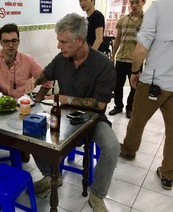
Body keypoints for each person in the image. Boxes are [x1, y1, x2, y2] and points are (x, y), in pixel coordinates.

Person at [25, 13, 120, 212]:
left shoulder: (103, 65)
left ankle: (97, 195)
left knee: (112, 147)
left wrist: (67, 99)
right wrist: (35, 80)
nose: (59, 46)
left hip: (92, 120)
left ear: (79, 40)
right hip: (63, 118)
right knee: (30, 132)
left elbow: (100, 105)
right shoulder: (62, 59)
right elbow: (46, 74)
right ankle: (51, 176)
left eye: (63, 42)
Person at [0, 23, 53, 161]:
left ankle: (21, 147)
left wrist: (37, 100)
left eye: (14, 41)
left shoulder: (28, 60)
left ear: (19, 41)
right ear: (0, 42)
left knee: (26, 151)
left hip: (20, 109)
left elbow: (48, 80)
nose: (10, 45)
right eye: (6, 41)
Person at [120, 0, 173, 190]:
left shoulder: (159, 7)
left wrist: (135, 72)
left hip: (154, 81)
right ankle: (168, 174)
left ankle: (128, 150)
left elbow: (141, 48)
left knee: (138, 119)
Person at [109, 0, 145, 119]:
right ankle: (118, 106)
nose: (134, 6)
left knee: (134, 86)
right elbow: (118, 39)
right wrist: (113, 55)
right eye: (132, 3)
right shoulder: (123, 20)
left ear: (143, 2)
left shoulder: (146, 21)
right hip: (121, 58)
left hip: (136, 61)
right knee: (117, 85)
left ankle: (130, 108)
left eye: (137, 3)